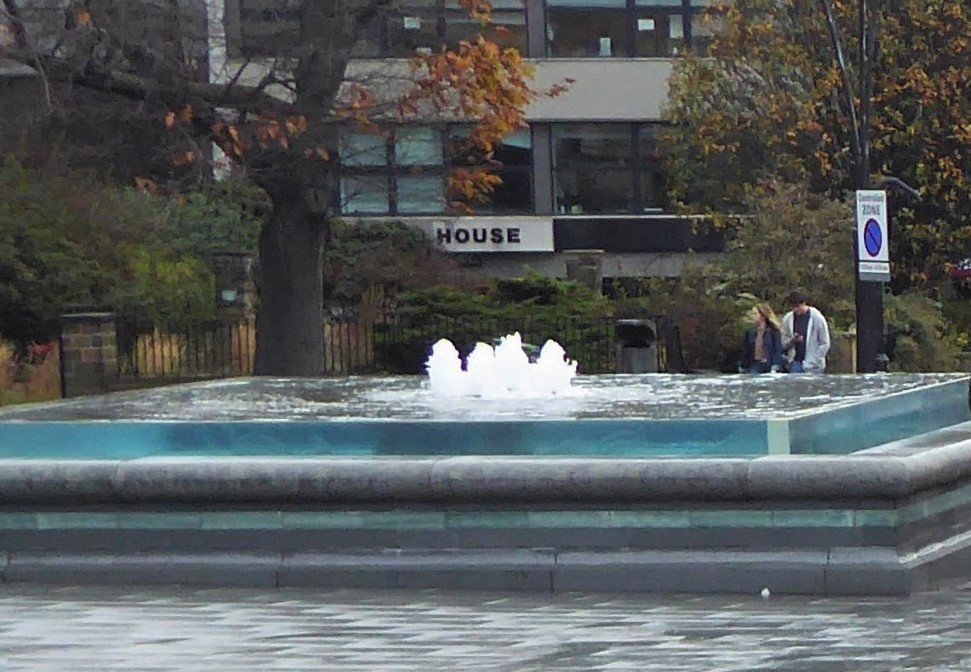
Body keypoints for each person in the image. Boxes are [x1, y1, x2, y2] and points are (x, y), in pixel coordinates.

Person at [780, 290, 831, 373]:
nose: (795, 309)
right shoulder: (788, 319)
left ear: (804, 303)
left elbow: (825, 342)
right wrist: (792, 340)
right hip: (795, 362)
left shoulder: (817, 317)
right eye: (793, 307)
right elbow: (783, 342)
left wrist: (816, 359)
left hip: (814, 364)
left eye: (797, 306)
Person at [739, 303, 784, 374]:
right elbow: (747, 351)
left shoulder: (773, 332)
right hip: (756, 365)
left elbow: (777, 349)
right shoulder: (750, 332)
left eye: (755, 314)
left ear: (763, 316)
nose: (753, 316)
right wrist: (743, 367)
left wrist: (775, 366)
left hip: (770, 365)